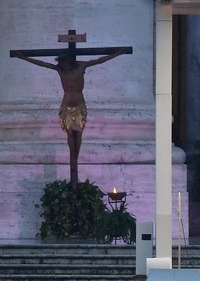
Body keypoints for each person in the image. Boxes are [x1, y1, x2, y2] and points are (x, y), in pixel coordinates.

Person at [13, 48, 127, 188]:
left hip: (79, 104)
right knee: (69, 133)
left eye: (64, 63)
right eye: (61, 64)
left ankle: (75, 158)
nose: (63, 66)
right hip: (66, 103)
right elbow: (41, 63)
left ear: (70, 61)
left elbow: (99, 61)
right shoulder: (59, 70)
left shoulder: (81, 66)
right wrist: (23, 57)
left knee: (78, 132)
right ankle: (72, 157)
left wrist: (117, 53)